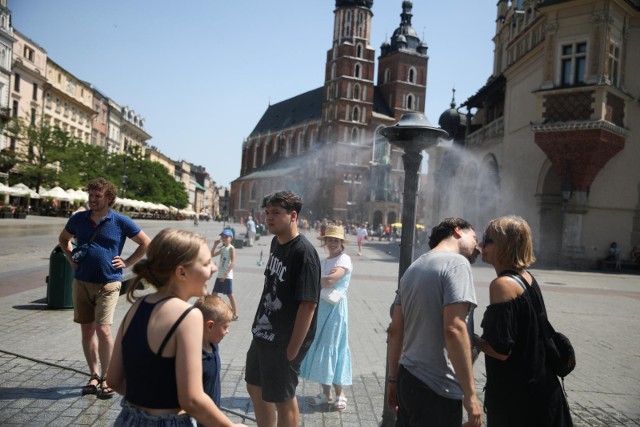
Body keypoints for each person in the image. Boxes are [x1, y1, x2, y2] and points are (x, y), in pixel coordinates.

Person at [108, 228, 245, 427]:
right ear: (181, 272)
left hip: (128, 419)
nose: (214, 268)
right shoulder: (188, 316)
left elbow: (113, 380)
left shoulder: (137, 306)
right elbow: (192, 400)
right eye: (207, 263)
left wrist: (150, 398)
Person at [474, 216, 573, 426]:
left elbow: (500, 350)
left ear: (504, 245)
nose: (481, 245)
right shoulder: (526, 277)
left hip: (519, 401)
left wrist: (469, 337)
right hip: (542, 390)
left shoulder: (502, 285)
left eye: (487, 240)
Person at [58, 177, 150, 399]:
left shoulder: (120, 221)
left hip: (109, 282)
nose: (92, 199)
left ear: (109, 198)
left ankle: (108, 377)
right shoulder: (79, 219)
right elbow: (63, 239)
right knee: (87, 329)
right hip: (82, 282)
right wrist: (70, 259)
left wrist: (127, 263)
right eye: (90, 195)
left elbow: (146, 243)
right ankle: (93, 374)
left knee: (103, 329)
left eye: (97, 196)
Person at [386, 217, 482, 427]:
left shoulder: (413, 268)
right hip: (437, 387)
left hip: (407, 378)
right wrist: (471, 395)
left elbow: (394, 331)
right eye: (475, 238)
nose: (479, 247)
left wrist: (392, 380)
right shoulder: (457, 263)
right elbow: (454, 329)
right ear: (457, 231)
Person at [245, 190, 321, 427]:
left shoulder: (304, 254)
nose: (269, 217)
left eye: (276, 213)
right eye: (267, 212)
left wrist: (292, 351)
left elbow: (308, 305)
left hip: (285, 340)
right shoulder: (276, 242)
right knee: (255, 386)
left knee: (283, 398)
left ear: (293, 216)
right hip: (263, 331)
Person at [301, 225, 353, 411]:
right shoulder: (323, 262)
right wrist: (320, 279)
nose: (332, 243)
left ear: (341, 243)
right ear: (325, 242)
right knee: (320, 345)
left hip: (335, 309)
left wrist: (313, 279)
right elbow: (324, 280)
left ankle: (340, 393)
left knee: (334, 346)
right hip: (321, 307)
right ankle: (326, 392)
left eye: (336, 240)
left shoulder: (344, 259)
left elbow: (331, 280)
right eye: (329, 240)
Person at [194, 294, 234, 427]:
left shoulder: (213, 345)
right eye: (225, 327)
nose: (227, 332)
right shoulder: (195, 358)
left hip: (212, 417)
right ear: (210, 326)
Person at [211, 229, 239, 321]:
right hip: (220, 274)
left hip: (227, 276)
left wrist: (225, 274)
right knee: (214, 294)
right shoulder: (223, 248)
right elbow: (212, 254)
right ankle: (212, 312)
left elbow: (233, 262)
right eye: (222, 236)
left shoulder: (231, 248)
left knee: (230, 294)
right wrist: (215, 245)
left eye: (226, 237)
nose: (224, 238)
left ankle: (235, 314)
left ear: (231, 238)